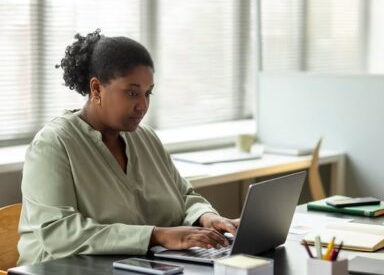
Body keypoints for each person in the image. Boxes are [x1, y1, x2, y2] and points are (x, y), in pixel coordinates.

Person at [17, 29, 239, 265]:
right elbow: (59, 233)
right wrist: (157, 236)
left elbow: (183, 196)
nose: (143, 105)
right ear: (96, 89)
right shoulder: (53, 145)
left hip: (137, 266)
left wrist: (206, 217)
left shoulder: (146, 138)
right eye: (132, 93)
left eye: (148, 93)